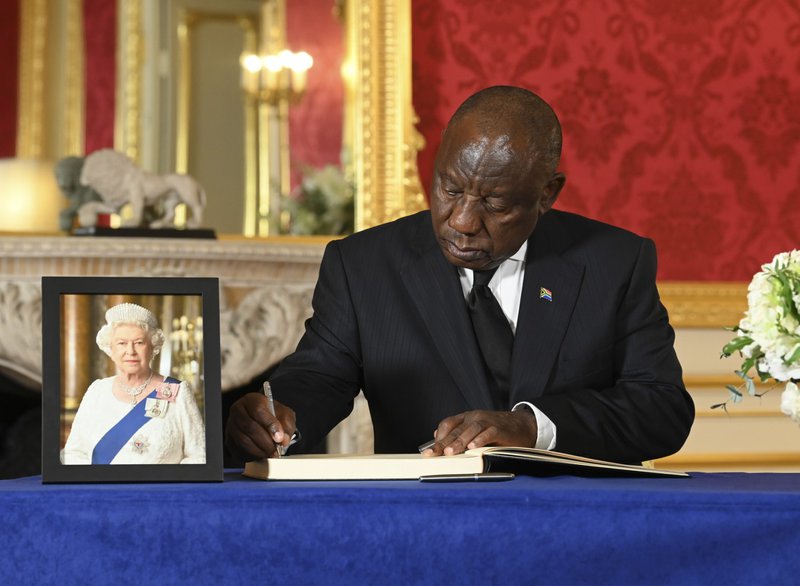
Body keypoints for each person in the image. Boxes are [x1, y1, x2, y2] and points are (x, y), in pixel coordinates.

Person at [226, 85, 694, 464]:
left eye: (495, 203)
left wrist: (533, 427)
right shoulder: (365, 265)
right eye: (449, 189)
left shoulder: (612, 262)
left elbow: (661, 410)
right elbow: (319, 377)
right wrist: (277, 417)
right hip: (425, 521)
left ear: (547, 193)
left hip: (580, 523)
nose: (463, 221)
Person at [62, 302, 206, 464]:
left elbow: (199, 456)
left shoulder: (176, 391)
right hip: (102, 488)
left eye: (139, 343)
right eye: (121, 343)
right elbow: (73, 453)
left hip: (160, 489)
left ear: (153, 347)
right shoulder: (97, 391)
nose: (130, 351)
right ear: (111, 349)